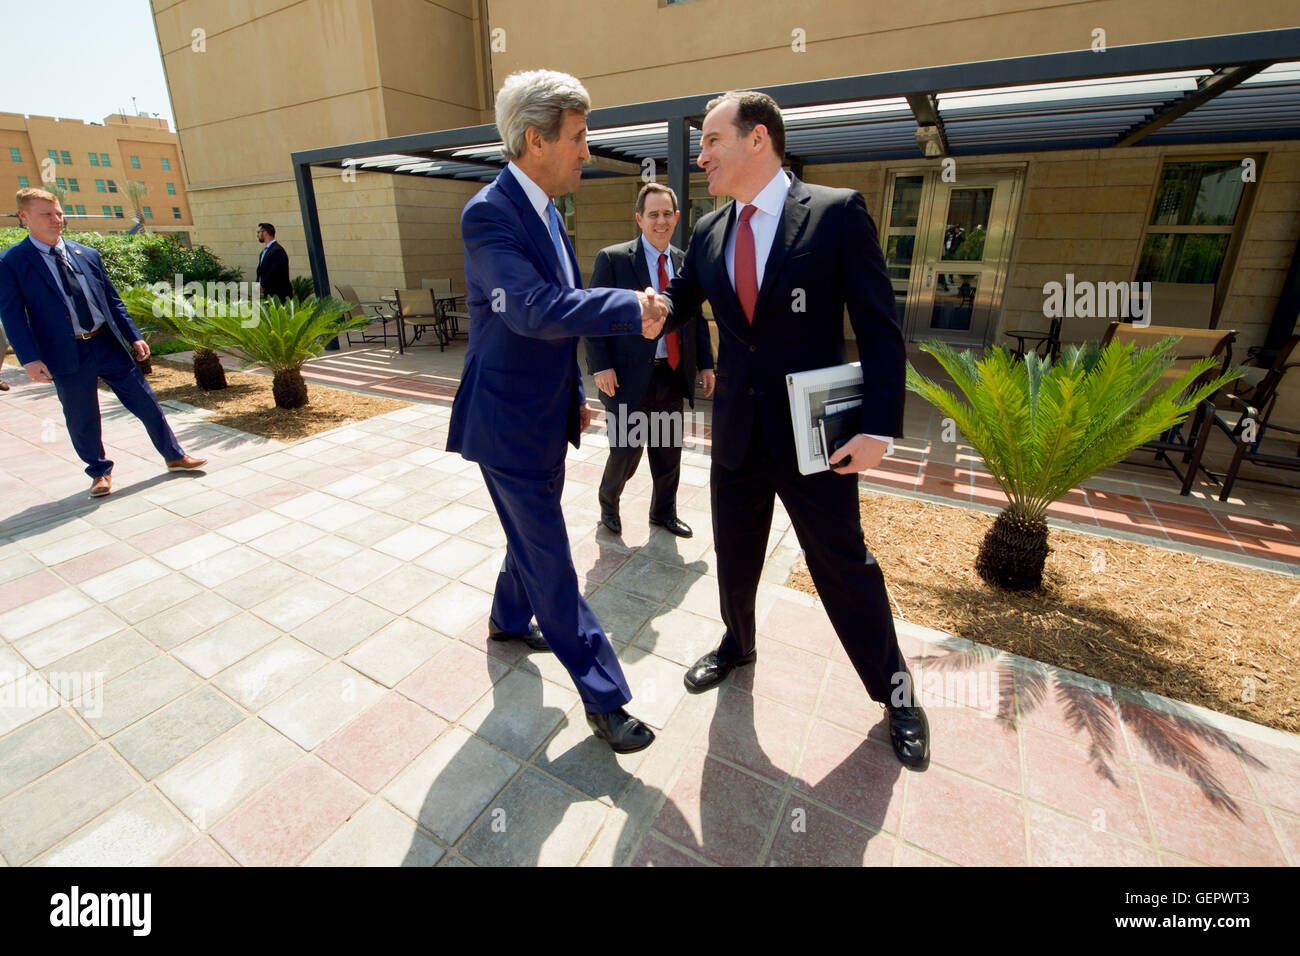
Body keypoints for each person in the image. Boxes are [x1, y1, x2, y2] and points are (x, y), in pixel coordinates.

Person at [658, 91, 930, 769]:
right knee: (735, 554)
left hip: (818, 437)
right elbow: (674, 305)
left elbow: (878, 326)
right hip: (739, 433)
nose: (702, 156)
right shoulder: (712, 230)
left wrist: (879, 427)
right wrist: (616, 310)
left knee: (844, 565)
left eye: (713, 140)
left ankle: (896, 695)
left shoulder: (836, 213)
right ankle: (737, 643)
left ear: (758, 140)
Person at [446, 69, 666, 754]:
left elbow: (548, 329)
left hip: (542, 415)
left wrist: (572, 395)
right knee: (551, 562)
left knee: (527, 536)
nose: (587, 152)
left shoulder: (546, 211)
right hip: (505, 424)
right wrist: (630, 307)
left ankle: (509, 623)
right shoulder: (489, 214)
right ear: (535, 139)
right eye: (578, 138)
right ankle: (605, 698)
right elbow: (534, 310)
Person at [0, 188, 207, 497]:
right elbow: (12, 315)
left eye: (58, 213)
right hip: (65, 352)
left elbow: (112, 301)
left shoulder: (87, 254)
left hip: (106, 343)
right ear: (24, 217)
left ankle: (174, 454)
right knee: (82, 417)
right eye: (47, 214)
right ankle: (99, 472)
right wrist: (29, 359)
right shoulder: (12, 262)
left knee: (147, 402)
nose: (57, 220)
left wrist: (134, 336)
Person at [584, 182, 715, 538]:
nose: (661, 221)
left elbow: (695, 318)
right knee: (626, 450)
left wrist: (705, 362)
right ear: (639, 219)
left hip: (670, 374)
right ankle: (608, 504)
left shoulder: (686, 261)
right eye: (653, 214)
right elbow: (595, 315)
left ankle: (663, 513)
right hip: (625, 376)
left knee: (668, 451)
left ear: (675, 217)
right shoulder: (613, 259)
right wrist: (600, 365)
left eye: (667, 214)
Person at [255, 222, 292, 300]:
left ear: (265, 233)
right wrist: (258, 284)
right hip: (269, 293)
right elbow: (261, 270)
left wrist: (263, 285)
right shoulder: (264, 252)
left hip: (278, 295)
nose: (257, 235)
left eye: (258, 232)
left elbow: (274, 272)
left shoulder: (277, 250)